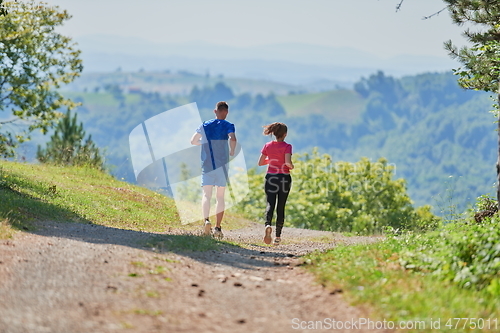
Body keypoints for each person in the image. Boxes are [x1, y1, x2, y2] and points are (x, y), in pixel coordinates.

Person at [190, 101, 236, 239]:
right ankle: (218, 227)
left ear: (215, 111)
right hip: (222, 165)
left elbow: (193, 140)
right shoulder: (229, 125)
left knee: (206, 195)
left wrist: (202, 142)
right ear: (226, 112)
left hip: (207, 165)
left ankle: (206, 221)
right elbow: (232, 138)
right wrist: (232, 149)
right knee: (220, 197)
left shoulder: (205, 125)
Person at [257, 122, 293, 245]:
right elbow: (288, 162)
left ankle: (267, 225)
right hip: (284, 178)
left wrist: (272, 159)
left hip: (270, 177)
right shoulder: (287, 146)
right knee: (281, 206)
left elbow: (260, 162)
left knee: (270, 204)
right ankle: (277, 237)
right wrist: (291, 165)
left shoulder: (267, 145)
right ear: (285, 134)